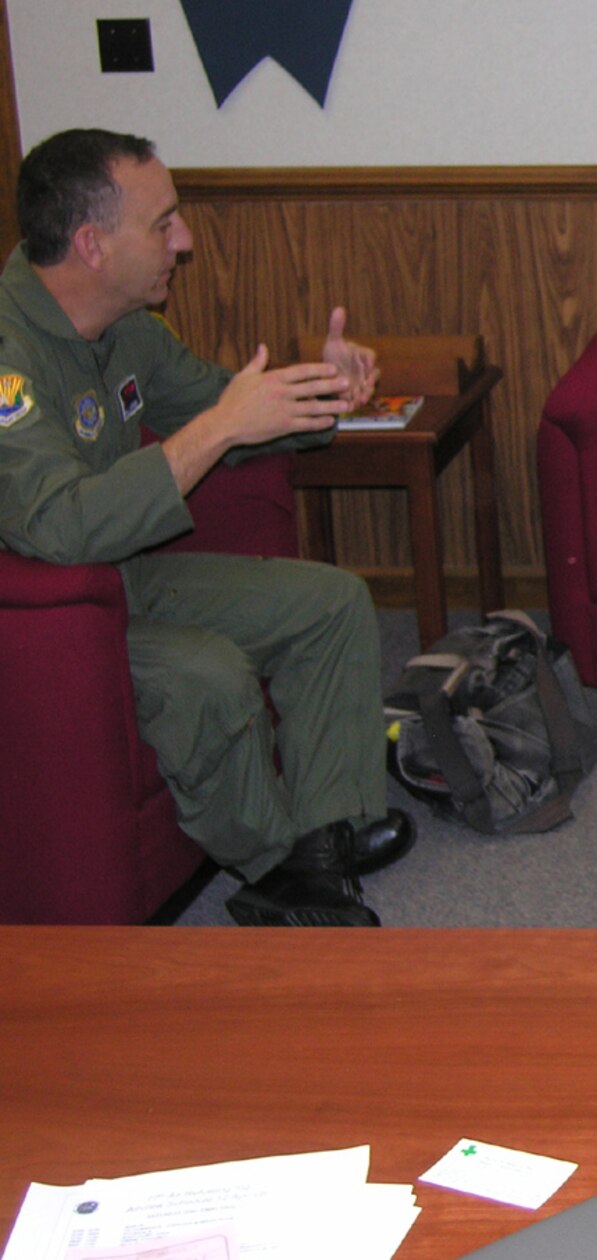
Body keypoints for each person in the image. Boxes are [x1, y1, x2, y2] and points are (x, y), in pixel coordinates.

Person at [0, 128, 416, 927]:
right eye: (162, 224)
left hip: (124, 576)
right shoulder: (11, 362)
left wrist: (323, 391)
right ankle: (281, 868)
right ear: (91, 244)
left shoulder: (126, 328)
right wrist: (219, 430)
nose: (183, 242)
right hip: (51, 622)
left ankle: (322, 840)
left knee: (329, 603)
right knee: (208, 673)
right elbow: (57, 527)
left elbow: (222, 406)